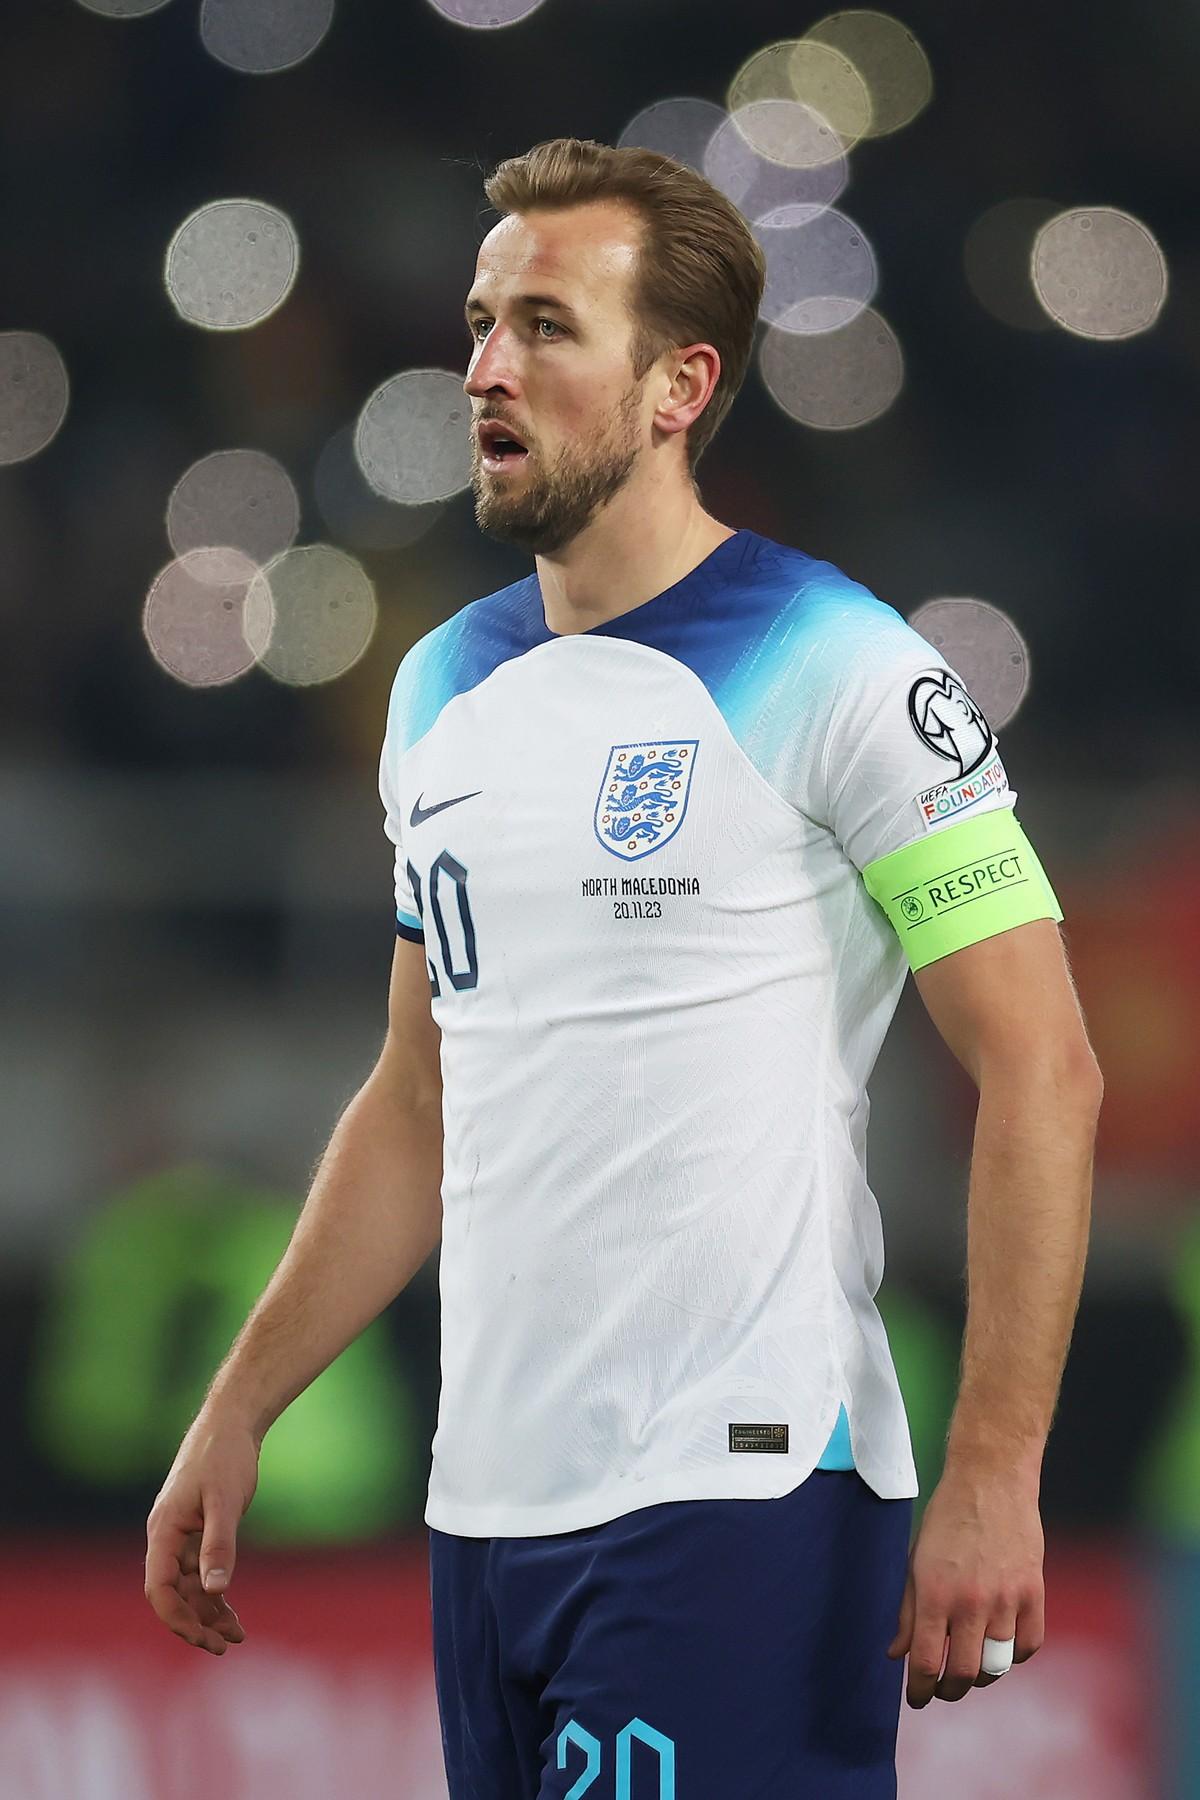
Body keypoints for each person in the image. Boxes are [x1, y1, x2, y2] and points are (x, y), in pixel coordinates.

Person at [145, 138, 1102, 1796]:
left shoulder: (846, 665)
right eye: (481, 324)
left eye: (545, 328)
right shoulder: (440, 689)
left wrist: (998, 1471)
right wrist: (238, 1404)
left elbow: (1044, 1068)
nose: (486, 370)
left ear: (679, 387)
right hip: (488, 1510)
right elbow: (419, 1098)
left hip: (745, 1490)